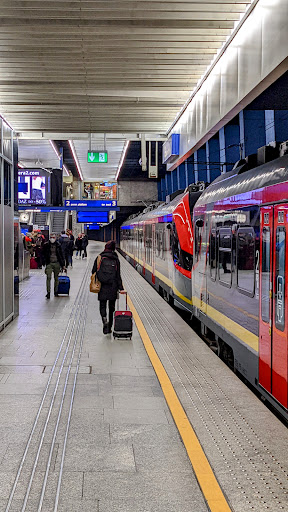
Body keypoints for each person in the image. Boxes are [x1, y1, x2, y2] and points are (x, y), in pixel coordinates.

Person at [92, 240, 125, 334]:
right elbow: (118, 275)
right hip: (113, 286)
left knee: (102, 305)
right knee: (111, 307)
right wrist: (121, 288)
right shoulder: (115, 259)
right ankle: (109, 327)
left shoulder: (100, 257)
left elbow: (93, 271)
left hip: (102, 286)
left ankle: (104, 319)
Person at [43, 233, 65, 299]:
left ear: (55, 238)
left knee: (56, 278)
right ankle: (48, 292)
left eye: (53, 237)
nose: (52, 239)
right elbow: (43, 254)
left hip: (57, 263)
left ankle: (56, 291)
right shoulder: (46, 245)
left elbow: (61, 255)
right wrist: (44, 262)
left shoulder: (58, 245)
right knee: (48, 277)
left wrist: (63, 265)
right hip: (49, 263)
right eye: (51, 237)